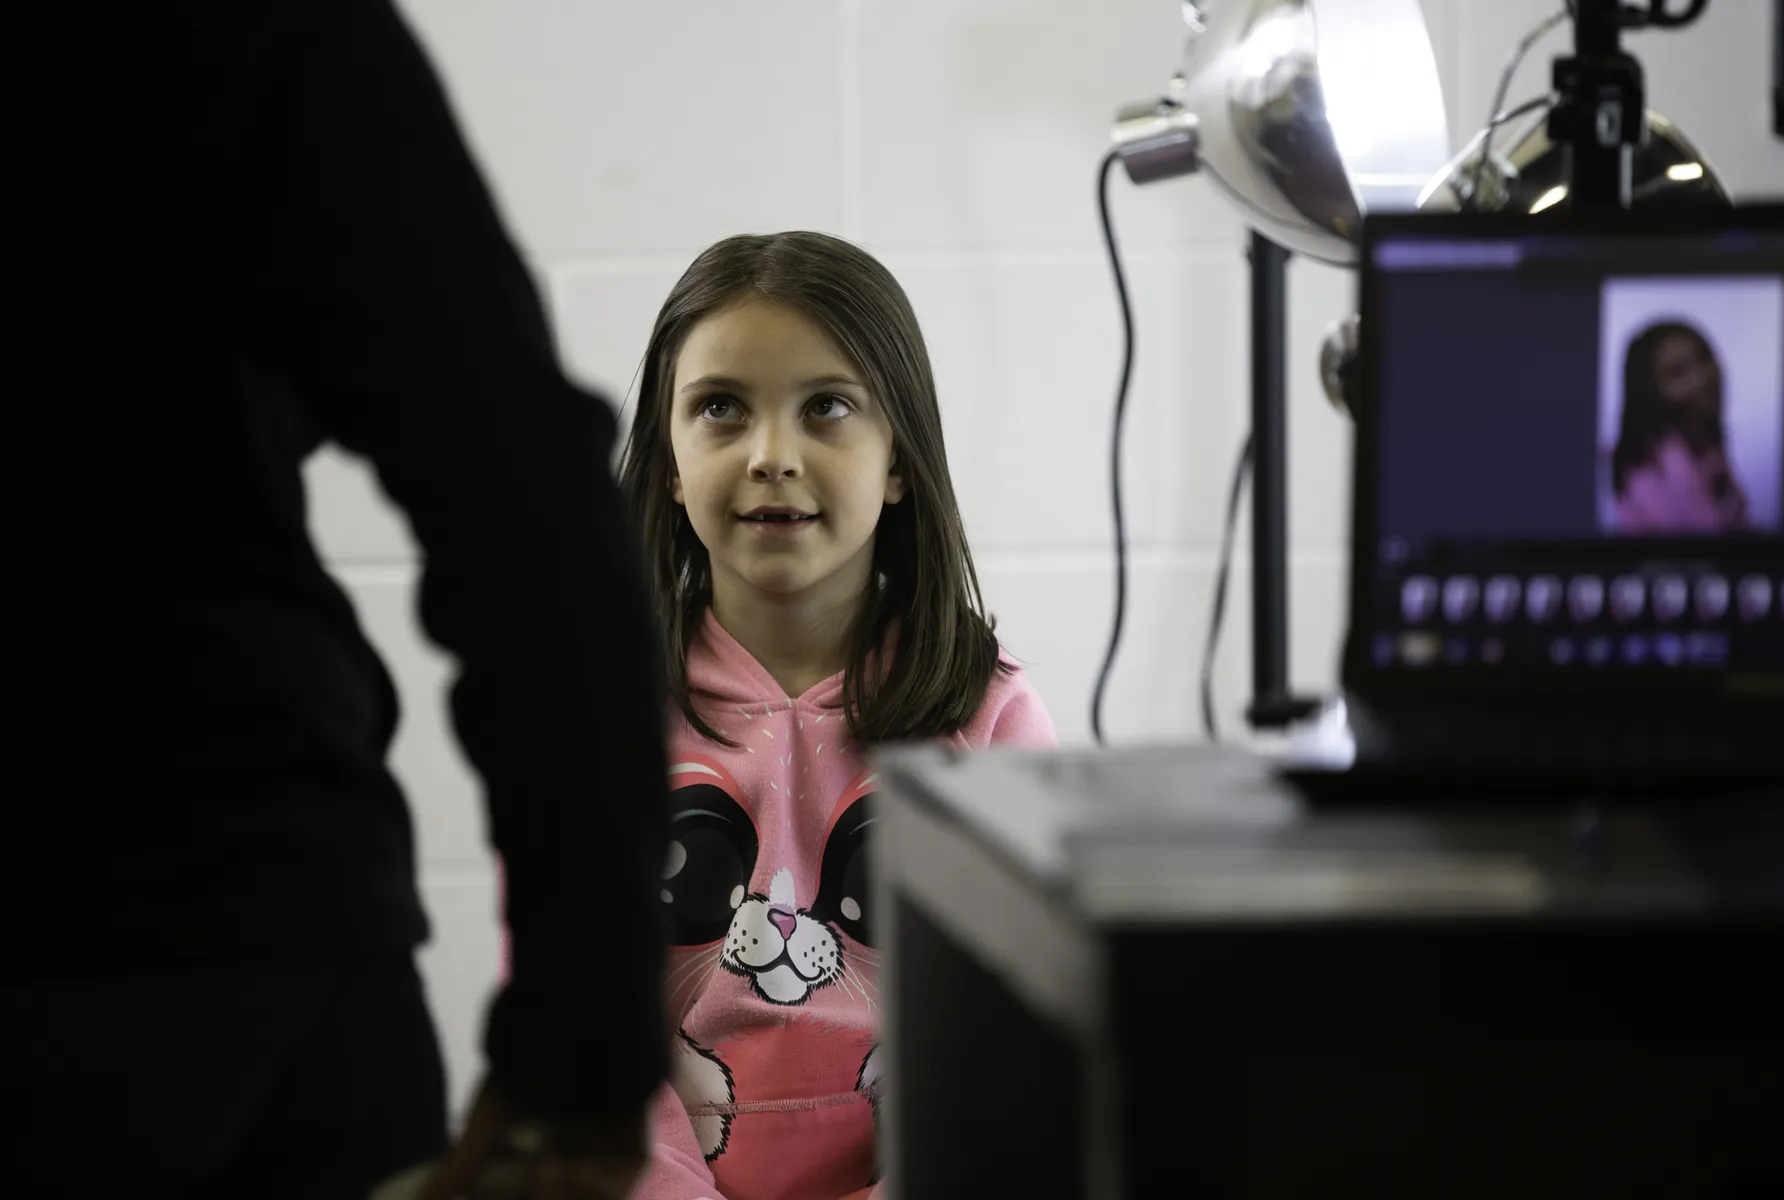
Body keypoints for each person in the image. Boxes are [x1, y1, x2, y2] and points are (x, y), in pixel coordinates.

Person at [6, 2, 668, 1197]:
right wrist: (582, 1054)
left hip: (232, 943)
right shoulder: (247, 39)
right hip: (242, 928)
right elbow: (524, 501)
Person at [615, 231, 1059, 1200]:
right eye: (721, 409)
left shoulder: (991, 716)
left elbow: (1016, 1049)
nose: (773, 456)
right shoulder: (599, 720)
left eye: (827, 407)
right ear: (670, 466)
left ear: (899, 460)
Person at [1610, 320, 1751, 533]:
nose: (1702, 378)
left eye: (1703, 358)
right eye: (1677, 373)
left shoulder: (1704, 448)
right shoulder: (1662, 469)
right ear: (1650, 392)